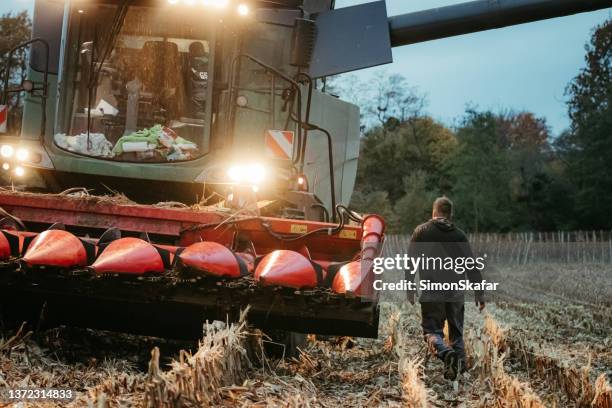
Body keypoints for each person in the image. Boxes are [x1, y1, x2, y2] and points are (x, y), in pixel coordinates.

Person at [406, 196, 485, 380]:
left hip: (432, 290)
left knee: (432, 332)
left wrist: (410, 286)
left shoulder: (421, 232)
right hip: (455, 292)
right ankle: (460, 371)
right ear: (451, 215)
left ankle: (445, 352)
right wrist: (479, 293)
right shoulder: (459, 235)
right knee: (456, 333)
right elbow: (471, 265)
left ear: (433, 212)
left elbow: (411, 262)